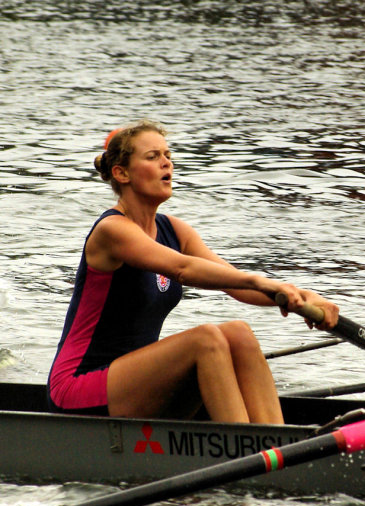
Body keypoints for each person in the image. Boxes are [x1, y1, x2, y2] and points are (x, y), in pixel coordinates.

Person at [47, 120, 339, 424]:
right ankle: (242, 451)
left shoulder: (174, 230)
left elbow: (237, 286)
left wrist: (306, 297)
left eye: (168, 155)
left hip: (136, 387)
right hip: (78, 388)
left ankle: (272, 440)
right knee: (205, 339)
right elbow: (183, 269)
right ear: (122, 173)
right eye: (152, 156)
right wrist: (261, 279)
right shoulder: (113, 230)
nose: (166, 163)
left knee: (238, 333)